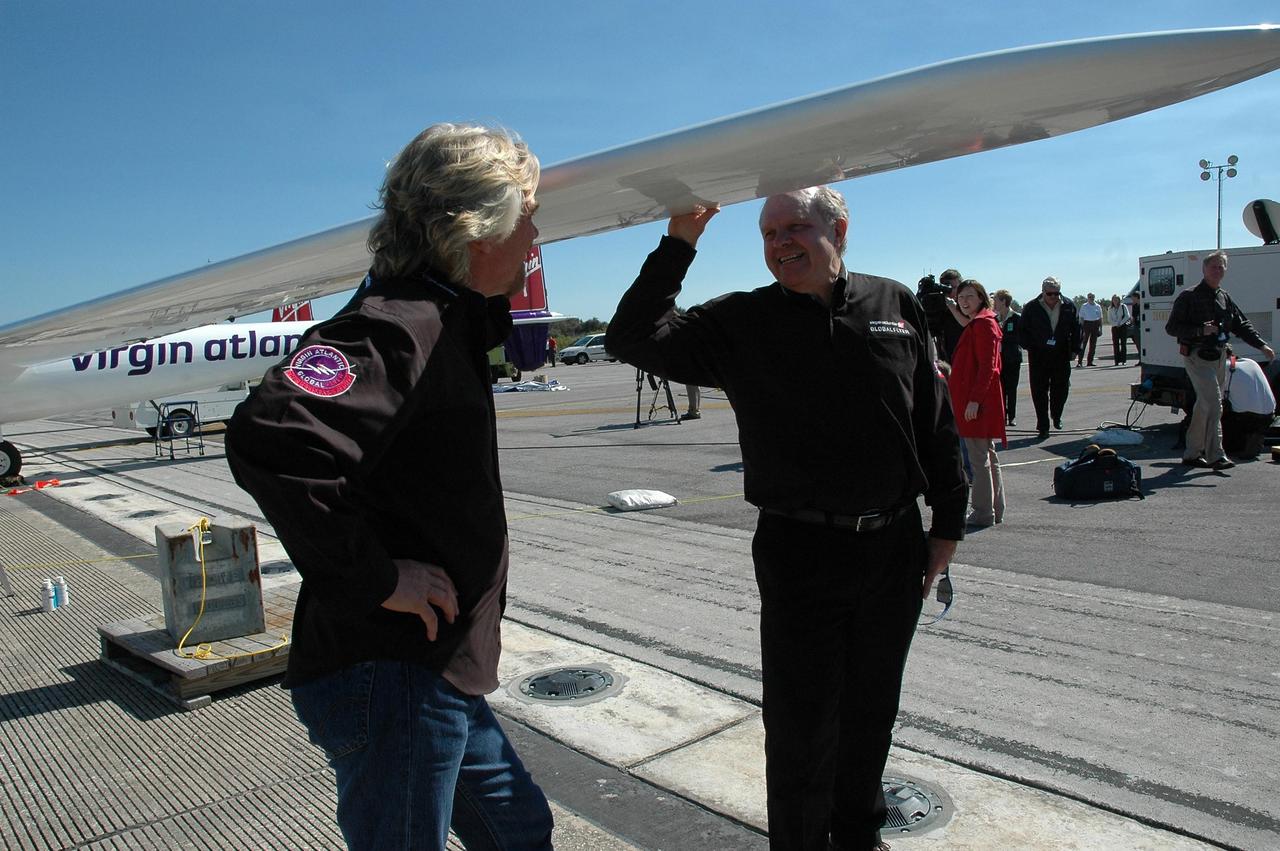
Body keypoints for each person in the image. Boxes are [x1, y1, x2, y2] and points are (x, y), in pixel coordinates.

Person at [224, 124, 554, 851]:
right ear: (477, 226)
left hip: (438, 672)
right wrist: (376, 576)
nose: (536, 235)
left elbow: (486, 311)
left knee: (520, 831)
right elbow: (269, 437)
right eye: (527, 214)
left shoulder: (445, 315)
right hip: (394, 675)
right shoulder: (398, 327)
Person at [606, 187, 966, 851]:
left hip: (893, 546)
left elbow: (933, 419)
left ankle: (859, 834)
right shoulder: (742, 321)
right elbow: (631, 335)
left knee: (871, 710)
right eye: (769, 232)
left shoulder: (894, 303)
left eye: (796, 225)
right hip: (799, 549)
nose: (780, 243)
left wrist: (948, 523)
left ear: (841, 229)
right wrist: (681, 239)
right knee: (802, 725)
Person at [1165, 250, 1275, 470]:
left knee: (1204, 406)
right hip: (1197, 356)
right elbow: (1172, 328)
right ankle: (1216, 455)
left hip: (1220, 356)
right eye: (1214, 266)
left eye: (1221, 266)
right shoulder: (1189, 296)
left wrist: (1261, 346)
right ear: (1204, 269)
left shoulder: (1224, 297)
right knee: (1215, 403)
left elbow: (1242, 325)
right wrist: (1200, 330)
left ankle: (1192, 453)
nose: (1218, 270)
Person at [949, 280, 1006, 527]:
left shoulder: (984, 324)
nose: (964, 301)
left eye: (970, 296)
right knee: (987, 456)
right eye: (961, 297)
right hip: (975, 400)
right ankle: (994, 508)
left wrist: (974, 400)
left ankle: (983, 511)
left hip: (976, 403)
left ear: (982, 298)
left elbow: (988, 368)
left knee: (978, 458)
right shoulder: (980, 322)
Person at [1019, 276, 1081, 438]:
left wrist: (1075, 349)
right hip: (1039, 355)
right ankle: (1043, 425)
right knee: (1039, 390)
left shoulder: (1068, 305)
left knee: (1061, 388)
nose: (1054, 297)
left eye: (1057, 293)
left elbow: (1076, 329)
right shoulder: (1032, 307)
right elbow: (1022, 330)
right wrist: (1030, 346)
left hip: (1061, 353)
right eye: (1050, 294)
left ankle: (1057, 414)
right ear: (1043, 292)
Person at [992, 289, 1021, 426]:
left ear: (1004, 301)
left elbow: (1018, 337)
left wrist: (1003, 338)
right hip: (999, 358)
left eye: (996, 300)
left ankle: (1012, 416)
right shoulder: (995, 319)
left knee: (1011, 388)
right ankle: (1002, 415)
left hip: (1013, 358)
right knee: (1001, 388)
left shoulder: (1016, 318)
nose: (994, 303)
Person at [936, 268, 967, 361]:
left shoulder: (968, 305)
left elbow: (968, 324)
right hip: (944, 357)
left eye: (954, 287)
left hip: (964, 356)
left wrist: (952, 306)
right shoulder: (937, 305)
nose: (950, 291)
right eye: (947, 287)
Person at [1077, 292, 1103, 366]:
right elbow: (1081, 317)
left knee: (1093, 344)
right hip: (1086, 324)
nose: (1091, 298)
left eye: (1092, 297)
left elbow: (1100, 318)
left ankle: (1090, 361)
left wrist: (1101, 328)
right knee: (1083, 343)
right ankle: (1080, 361)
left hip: (1095, 324)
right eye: (1090, 297)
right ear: (1087, 298)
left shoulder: (1097, 306)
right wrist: (1081, 328)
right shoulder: (1084, 306)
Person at [1107, 294, 1132, 365]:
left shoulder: (1123, 306)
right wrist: (1115, 324)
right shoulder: (1110, 308)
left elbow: (1127, 316)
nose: (1115, 301)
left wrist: (1120, 323)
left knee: (1123, 344)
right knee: (1115, 344)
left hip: (1123, 327)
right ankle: (1117, 361)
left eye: (1116, 299)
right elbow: (1109, 319)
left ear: (1119, 300)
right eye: (1113, 299)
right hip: (1115, 328)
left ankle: (1123, 360)